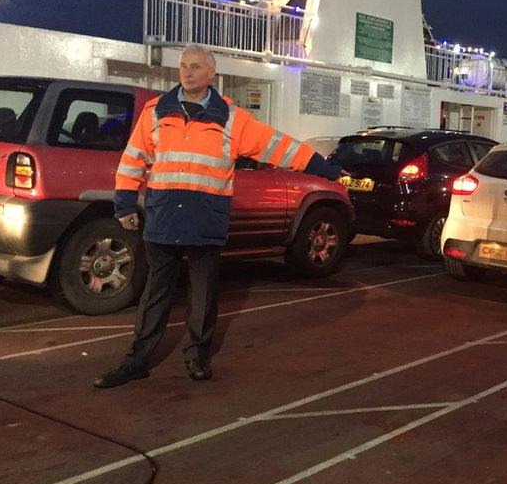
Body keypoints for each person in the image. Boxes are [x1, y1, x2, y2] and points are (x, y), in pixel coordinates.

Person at [94, 44, 343, 388]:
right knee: (155, 295)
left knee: (203, 295)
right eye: (183, 66)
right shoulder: (155, 112)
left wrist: (322, 167)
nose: (188, 72)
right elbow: (133, 158)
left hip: (205, 221)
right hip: (164, 218)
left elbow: (277, 145)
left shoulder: (232, 118)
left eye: (196, 66)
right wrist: (123, 204)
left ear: (212, 73)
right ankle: (137, 361)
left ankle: (196, 356)